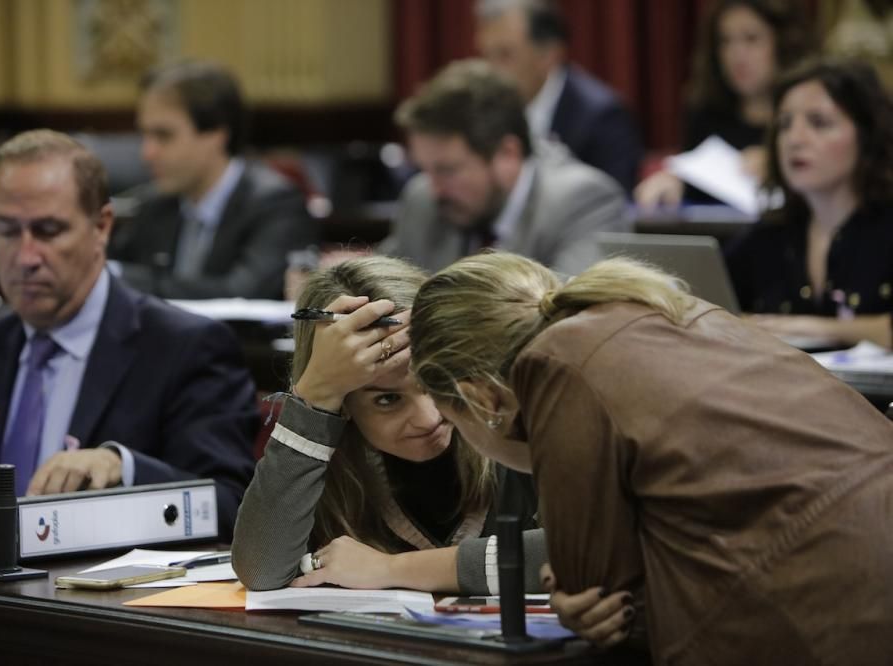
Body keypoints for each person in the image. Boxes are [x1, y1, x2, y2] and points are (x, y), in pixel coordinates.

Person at [408, 251, 893, 662]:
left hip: (830, 615)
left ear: (482, 400)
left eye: (455, 419)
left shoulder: (556, 369)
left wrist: (579, 593)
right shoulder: (667, 310)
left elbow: (606, 604)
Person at [0, 130, 259, 539]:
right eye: (7, 231)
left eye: (48, 231)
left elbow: (234, 509)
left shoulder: (185, 348)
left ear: (101, 226)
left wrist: (125, 468)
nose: (26, 257)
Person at [232, 256, 545, 595]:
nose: (429, 418)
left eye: (434, 383)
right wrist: (314, 397)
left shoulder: (514, 424)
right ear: (343, 403)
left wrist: (393, 569)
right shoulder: (327, 455)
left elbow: (584, 552)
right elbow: (261, 570)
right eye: (387, 400)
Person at [379, 59, 627, 277]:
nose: (435, 190)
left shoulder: (582, 202)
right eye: (425, 169)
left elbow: (569, 315)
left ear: (507, 154)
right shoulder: (421, 200)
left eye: (447, 170)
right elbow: (383, 287)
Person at [110, 60, 316, 300]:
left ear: (216, 135)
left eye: (163, 136)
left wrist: (122, 275)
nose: (147, 153)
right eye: (144, 135)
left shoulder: (276, 204)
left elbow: (243, 293)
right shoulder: (154, 205)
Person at [727, 58, 893, 348]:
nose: (794, 139)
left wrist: (816, 328)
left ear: (866, 135)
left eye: (819, 123)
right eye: (784, 124)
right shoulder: (767, 235)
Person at [634, 0, 815, 208]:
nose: (737, 55)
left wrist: (780, 167)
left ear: (784, 42)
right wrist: (674, 183)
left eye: (751, 39)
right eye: (725, 41)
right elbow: (694, 178)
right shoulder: (704, 112)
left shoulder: (808, 117)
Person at [475, 0, 643, 193]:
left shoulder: (602, 119)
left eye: (505, 55)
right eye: (485, 55)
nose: (490, 70)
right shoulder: (484, 113)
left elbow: (611, 208)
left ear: (548, 55)